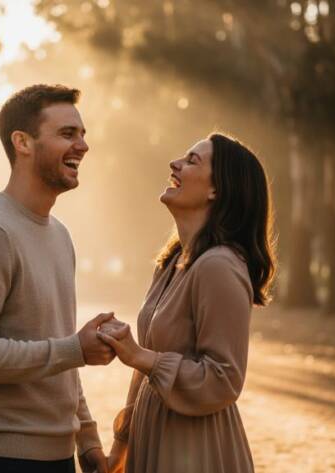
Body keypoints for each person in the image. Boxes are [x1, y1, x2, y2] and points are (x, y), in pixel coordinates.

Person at [0, 84, 118, 473]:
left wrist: (86, 437)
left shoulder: (60, 235)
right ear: (22, 142)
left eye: (82, 134)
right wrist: (75, 349)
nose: (83, 145)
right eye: (67, 134)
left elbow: (58, 344)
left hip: (58, 455)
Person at [98, 133, 276, 473]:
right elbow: (146, 365)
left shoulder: (219, 266)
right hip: (153, 431)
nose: (174, 163)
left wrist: (138, 355)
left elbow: (224, 379)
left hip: (195, 446)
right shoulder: (172, 261)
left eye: (192, 160)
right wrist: (121, 443)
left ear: (217, 190)